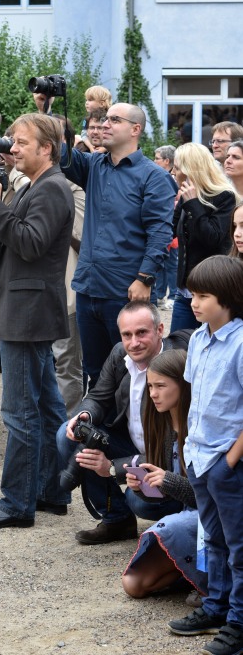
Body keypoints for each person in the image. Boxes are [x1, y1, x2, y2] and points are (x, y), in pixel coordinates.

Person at [0, 112, 74, 529]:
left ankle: (15, 503)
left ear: (46, 148)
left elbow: (29, 243)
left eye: (21, 143)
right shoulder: (37, 185)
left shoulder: (52, 187)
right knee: (47, 406)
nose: (12, 148)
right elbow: (14, 236)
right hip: (27, 308)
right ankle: (50, 490)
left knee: (19, 412)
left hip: (28, 312)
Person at [60, 102, 177, 388]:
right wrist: (49, 106)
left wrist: (144, 277)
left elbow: (160, 233)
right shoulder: (93, 165)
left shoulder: (154, 177)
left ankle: (137, 420)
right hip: (88, 287)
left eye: (114, 119)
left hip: (125, 290)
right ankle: (100, 419)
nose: (105, 124)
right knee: (96, 373)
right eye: (104, 119)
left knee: (134, 373)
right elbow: (57, 152)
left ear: (135, 129)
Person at [57, 301, 191, 545]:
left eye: (142, 333)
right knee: (70, 435)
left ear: (160, 330)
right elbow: (98, 397)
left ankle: (185, 519)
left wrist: (112, 467)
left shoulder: (177, 363)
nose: (134, 342)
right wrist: (84, 415)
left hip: (168, 460)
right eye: (127, 335)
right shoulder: (120, 354)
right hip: (131, 444)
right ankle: (116, 519)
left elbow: (170, 452)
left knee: (138, 499)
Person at [167, 255, 243, 655]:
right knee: (212, 538)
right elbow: (194, 398)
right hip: (198, 456)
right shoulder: (197, 339)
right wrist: (186, 445)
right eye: (192, 294)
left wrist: (229, 462)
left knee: (239, 546)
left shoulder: (241, 343)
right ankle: (216, 607)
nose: (193, 303)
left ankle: (239, 623)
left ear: (227, 297)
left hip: (226, 462)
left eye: (202, 296)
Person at [122, 349, 206, 600]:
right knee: (134, 584)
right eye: (150, 386)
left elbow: (214, 497)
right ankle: (192, 576)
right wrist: (143, 486)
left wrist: (169, 481)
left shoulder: (203, 427)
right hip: (184, 516)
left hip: (211, 520)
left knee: (171, 528)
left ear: (184, 384)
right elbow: (167, 496)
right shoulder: (162, 423)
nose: (153, 394)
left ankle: (211, 584)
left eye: (160, 386)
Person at [170, 143, 237, 333]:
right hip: (185, 290)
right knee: (178, 343)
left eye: (177, 167)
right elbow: (170, 231)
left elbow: (212, 238)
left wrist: (193, 203)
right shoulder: (186, 196)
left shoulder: (225, 196)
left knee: (213, 343)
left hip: (212, 290)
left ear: (190, 170)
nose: (173, 172)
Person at [153, 145, 178, 312]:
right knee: (160, 263)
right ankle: (160, 294)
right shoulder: (157, 177)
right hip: (161, 225)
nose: (154, 161)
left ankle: (173, 295)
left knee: (171, 264)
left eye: (157, 158)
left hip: (171, 228)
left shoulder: (174, 179)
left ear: (167, 161)